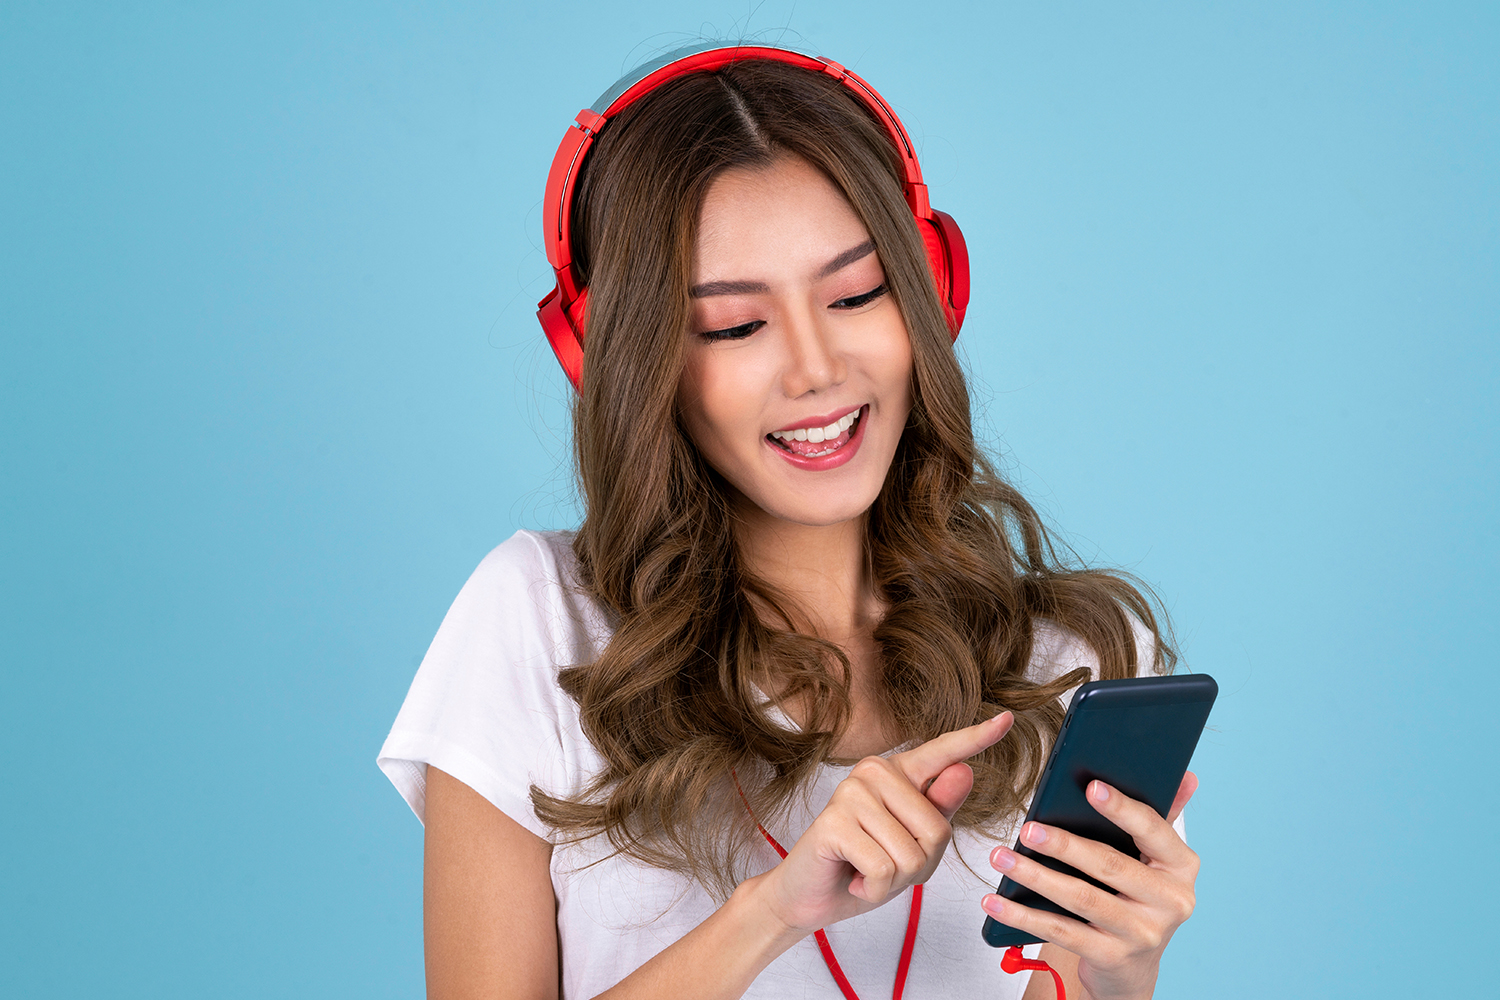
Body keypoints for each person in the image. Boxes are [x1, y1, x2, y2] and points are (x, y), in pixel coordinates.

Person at [379, 43, 1200, 1000]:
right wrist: (770, 913)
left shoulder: (1076, 663)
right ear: (628, 362)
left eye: (855, 295)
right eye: (734, 325)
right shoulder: (536, 621)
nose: (816, 370)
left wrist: (1115, 969)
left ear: (930, 291)